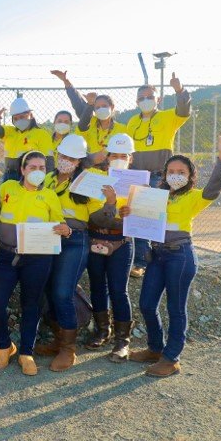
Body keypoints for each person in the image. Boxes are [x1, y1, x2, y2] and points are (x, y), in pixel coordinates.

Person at [128, 131, 221, 377]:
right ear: (164, 174)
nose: (175, 176)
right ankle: (155, 348)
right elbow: (139, 221)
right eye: (171, 171)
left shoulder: (194, 197)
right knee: (147, 304)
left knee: (176, 308)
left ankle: (171, 359)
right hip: (157, 255)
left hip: (180, 256)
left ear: (190, 176)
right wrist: (129, 212)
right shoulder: (156, 196)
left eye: (181, 172)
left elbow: (213, 188)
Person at [0, 151, 70, 376]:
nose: (37, 171)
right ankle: (4, 346)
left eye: (42, 168)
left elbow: (60, 224)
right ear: (22, 170)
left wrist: (66, 229)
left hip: (38, 258)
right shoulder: (8, 188)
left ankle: (26, 352)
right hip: (7, 256)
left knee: (31, 304)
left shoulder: (50, 195)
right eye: (32, 167)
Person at [34, 134, 103, 372]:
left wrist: (113, 205)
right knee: (47, 288)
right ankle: (58, 339)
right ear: (57, 155)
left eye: (72, 158)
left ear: (80, 161)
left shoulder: (87, 181)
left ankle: (68, 349)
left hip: (75, 239)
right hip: (48, 236)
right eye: (63, 155)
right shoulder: (47, 178)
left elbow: (97, 215)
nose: (66, 160)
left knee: (63, 291)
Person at [125, 73, 191, 278]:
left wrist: (180, 91)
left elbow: (184, 110)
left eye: (149, 96)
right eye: (142, 98)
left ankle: (156, 258)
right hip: (137, 176)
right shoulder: (132, 122)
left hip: (157, 176)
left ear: (158, 99)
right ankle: (140, 262)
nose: (146, 100)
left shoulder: (168, 117)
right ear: (137, 102)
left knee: (156, 217)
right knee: (139, 217)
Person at [84, 133, 136, 361]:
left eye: (123, 155)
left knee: (118, 289)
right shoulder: (94, 178)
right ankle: (102, 330)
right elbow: (94, 217)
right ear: (107, 156)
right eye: (114, 155)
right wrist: (114, 208)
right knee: (97, 286)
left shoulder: (138, 183)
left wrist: (129, 216)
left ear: (130, 158)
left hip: (122, 243)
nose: (118, 159)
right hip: (96, 239)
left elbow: (142, 218)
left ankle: (123, 341)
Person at [52, 70, 127, 164]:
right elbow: (78, 104)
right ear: (93, 110)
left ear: (112, 107)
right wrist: (66, 82)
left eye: (104, 106)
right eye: (97, 107)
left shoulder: (122, 129)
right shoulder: (91, 122)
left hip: (113, 169)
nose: (101, 109)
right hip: (93, 170)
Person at [0, 97, 54, 179]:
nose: (19, 120)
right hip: (8, 176)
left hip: (28, 178)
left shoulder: (41, 134)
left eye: (22, 117)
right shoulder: (10, 131)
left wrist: (45, 183)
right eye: (15, 118)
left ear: (30, 114)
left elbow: (49, 162)